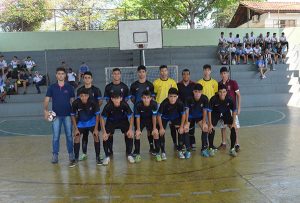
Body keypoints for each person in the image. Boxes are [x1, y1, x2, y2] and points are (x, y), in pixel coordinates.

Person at [44, 67, 76, 167]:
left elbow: (73, 101)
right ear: (56, 75)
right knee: (56, 137)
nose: (61, 75)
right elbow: (46, 100)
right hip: (55, 116)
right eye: (59, 73)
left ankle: (71, 154)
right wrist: (45, 111)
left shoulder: (70, 87)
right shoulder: (52, 87)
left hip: (67, 115)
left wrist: (74, 114)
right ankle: (55, 155)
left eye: (62, 73)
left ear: (65, 75)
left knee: (69, 137)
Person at [100, 92, 134, 165]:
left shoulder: (124, 104)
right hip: (111, 121)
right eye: (114, 99)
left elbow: (131, 116)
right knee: (105, 137)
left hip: (123, 121)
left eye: (118, 98)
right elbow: (102, 118)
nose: (116, 100)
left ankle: (129, 154)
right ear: (112, 99)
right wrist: (104, 132)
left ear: (121, 99)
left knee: (129, 134)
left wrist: (130, 129)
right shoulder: (108, 106)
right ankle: (107, 156)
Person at [71, 88, 102, 166]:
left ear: (88, 96)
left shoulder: (93, 102)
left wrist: (96, 129)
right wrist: (76, 129)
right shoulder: (75, 103)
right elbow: (72, 116)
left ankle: (98, 158)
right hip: (81, 123)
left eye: (85, 96)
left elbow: (98, 115)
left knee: (96, 136)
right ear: (79, 96)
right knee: (77, 137)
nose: (83, 97)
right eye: (81, 96)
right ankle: (76, 158)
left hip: (92, 122)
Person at [76, 71, 103, 161]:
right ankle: (84, 153)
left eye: (89, 77)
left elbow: (99, 102)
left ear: (91, 79)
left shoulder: (96, 90)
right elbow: (77, 103)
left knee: (96, 135)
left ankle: (98, 155)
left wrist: (92, 110)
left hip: (93, 118)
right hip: (82, 118)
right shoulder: (79, 90)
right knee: (84, 136)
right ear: (83, 79)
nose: (87, 79)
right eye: (85, 77)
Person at [157, 88, 189, 160]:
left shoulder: (180, 103)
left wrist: (181, 127)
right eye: (171, 96)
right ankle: (163, 152)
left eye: (174, 96)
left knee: (181, 131)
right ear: (168, 96)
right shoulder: (164, 103)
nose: (172, 99)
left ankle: (180, 151)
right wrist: (161, 128)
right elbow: (158, 116)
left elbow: (183, 115)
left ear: (177, 97)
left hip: (175, 118)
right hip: (165, 118)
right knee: (161, 132)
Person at [130, 65, 155, 155]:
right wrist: (139, 105)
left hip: (149, 113)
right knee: (137, 132)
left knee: (150, 131)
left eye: (143, 72)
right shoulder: (134, 85)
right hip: (138, 113)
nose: (141, 73)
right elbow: (132, 99)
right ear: (137, 73)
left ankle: (152, 148)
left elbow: (152, 98)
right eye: (140, 72)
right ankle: (137, 151)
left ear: (146, 73)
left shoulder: (150, 85)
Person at [104, 68, 130, 155]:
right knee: (109, 134)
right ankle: (110, 151)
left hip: (122, 116)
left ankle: (128, 151)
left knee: (127, 133)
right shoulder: (108, 87)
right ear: (112, 75)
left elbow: (126, 100)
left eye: (118, 73)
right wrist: (113, 107)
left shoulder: (125, 87)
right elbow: (107, 101)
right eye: (114, 74)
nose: (116, 75)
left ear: (120, 75)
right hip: (111, 117)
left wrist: (120, 107)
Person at [208, 84, 238, 157]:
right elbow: (209, 111)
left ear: (226, 92)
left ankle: (232, 149)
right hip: (216, 113)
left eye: (224, 92)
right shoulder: (213, 99)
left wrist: (233, 123)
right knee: (211, 128)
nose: (222, 94)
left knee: (233, 128)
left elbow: (234, 110)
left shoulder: (230, 99)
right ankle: (211, 148)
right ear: (218, 92)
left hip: (226, 113)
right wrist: (210, 124)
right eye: (220, 92)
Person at [153, 65, 178, 150]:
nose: (164, 73)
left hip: (172, 106)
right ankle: (160, 145)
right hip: (160, 105)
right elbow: (154, 95)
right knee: (161, 126)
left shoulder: (173, 82)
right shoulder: (156, 83)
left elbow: (175, 95)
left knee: (173, 125)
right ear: (160, 72)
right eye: (162, 71)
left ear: (167, 71)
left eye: (165, 71)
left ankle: (175, 143)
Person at [184, 84, 211, 157]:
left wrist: (204, 122)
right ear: (193, 92)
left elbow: (205, 111)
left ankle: (204, 149)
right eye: (196, 91)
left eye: (199, 92)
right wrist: (186, 122)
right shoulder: (189, 98)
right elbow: (187, 110)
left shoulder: (205, 98)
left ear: (201, 92)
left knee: (205, 128)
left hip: (199, 116)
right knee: (185, 129)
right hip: (190, 116)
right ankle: (188, 150)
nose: (197, 93)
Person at [218, 67, 241, 152]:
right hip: (222, 109)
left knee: (234, 126)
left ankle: (237, 144)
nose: (224, 75)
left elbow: (238, 95)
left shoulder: (233, 82)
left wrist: (238, 107)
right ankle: (223, 143)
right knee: (223, 126)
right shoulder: (219, 84)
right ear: (220, 74)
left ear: (228, 73)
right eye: (222, 73)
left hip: (232, 109)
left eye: (225, 73)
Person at [134, 90, 159, 162]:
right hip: (141, 120)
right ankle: (137, 153)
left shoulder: (154, 104)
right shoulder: (138, 105)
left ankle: (157, 153)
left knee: (156, 133)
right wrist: (138, 129)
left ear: (151, 98)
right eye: (144, 98)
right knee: (137, 134)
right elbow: (137, 117)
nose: (146, 99)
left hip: (150, 119)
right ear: (141, 98)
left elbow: (154, 116)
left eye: (148, 98)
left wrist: (154, 128)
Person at [177, 69, 196, 150]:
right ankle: (182, 144)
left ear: (189, 75)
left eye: (187, 74)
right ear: (182, 75)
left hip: (191, 109)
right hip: (181, 110)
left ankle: (192, 142)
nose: (186, 76)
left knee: (191, 127)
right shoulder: (178, 85)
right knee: (182, 126)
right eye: (184, 74)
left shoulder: (193, 84)